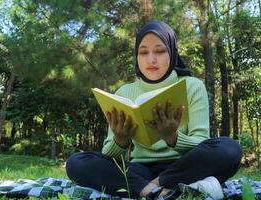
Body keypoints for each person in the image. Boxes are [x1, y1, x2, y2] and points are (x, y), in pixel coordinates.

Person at [66, 20, 242, 199]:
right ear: (137, 56)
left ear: (172, 52)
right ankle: (162, 192)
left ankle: (153, 188)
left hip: (184, 166)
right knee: (76, 163)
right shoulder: (124, 92)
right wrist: (120, 140)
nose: (151, 59)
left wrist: (173, 138)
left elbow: (202, 144)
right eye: (143, 52)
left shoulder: (192, 86)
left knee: (229, 149)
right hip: (139, 171)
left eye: (160, 50)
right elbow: (108, 157)